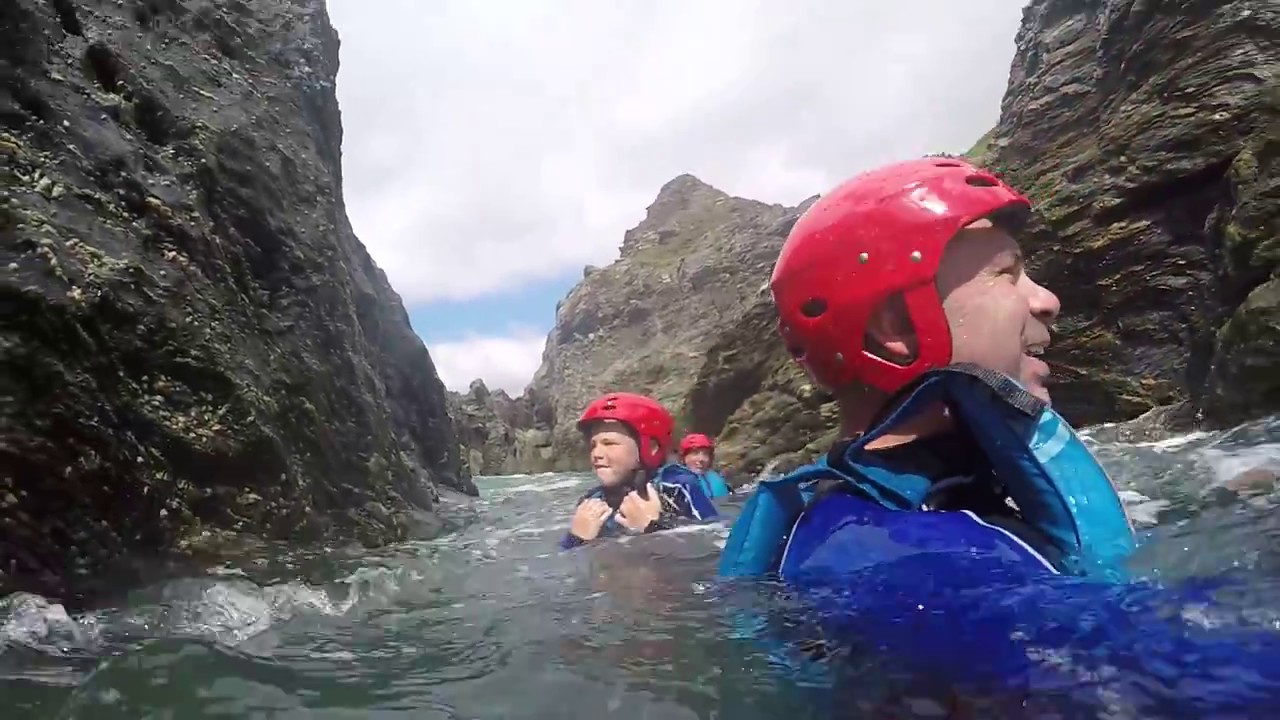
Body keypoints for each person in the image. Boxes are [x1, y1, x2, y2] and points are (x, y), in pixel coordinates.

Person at [714, 158, 1280, 713]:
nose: (1048, 301)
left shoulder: (899, 520)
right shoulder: (913, 567)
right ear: (896, 327)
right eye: (1008, 273)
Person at [560, 392, 718, 550]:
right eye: (593, 445)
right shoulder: (592, 501)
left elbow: (714, 545)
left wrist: (655, 528)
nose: (596, 453)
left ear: (651, 447)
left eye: (609, 443)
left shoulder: (678, 487)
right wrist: (576, 538)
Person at [677, 433, 732, 498]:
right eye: (695, 453)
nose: (701, 459)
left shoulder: (716, 480)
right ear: (683, 457)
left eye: (705, 454)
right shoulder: (673, 482)